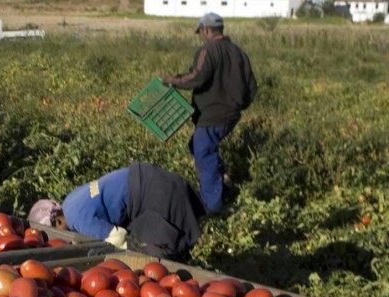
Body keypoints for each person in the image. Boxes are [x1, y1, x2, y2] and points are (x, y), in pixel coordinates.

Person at [164, 13, 257, 214]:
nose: (201, 36)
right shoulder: (239, 52)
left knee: (204, 155)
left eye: (201, 33)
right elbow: (252, 87)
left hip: (212, 115)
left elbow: (197, 77)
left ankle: (213, 208)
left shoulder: (208, 50)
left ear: (206, 30)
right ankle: (223, 179)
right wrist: (237, 106)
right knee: (197, 146)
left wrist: (174, 80)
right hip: (230, 115)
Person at [28, 162, 207, 260]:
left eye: (57, 234)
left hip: (151, 192)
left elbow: (118, 238)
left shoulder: (78, 220)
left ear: (58, 222)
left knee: (162, 252)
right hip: (146, 178)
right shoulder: (70, 202)